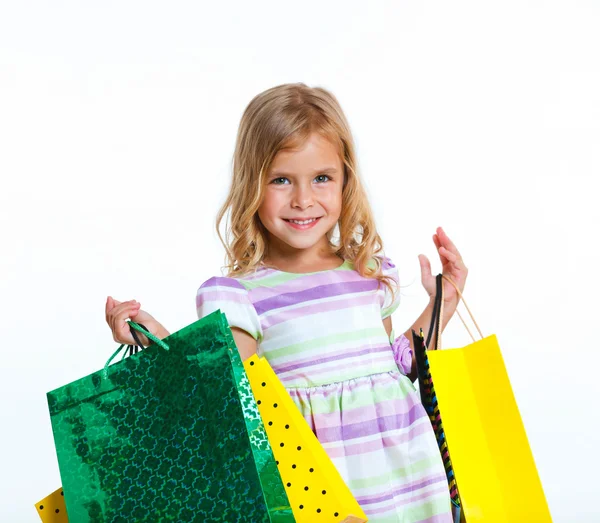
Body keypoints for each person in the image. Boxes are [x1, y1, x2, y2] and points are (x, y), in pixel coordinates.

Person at [105, 83, 468, 522]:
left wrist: (442, 305)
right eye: (280, 180)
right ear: (251, 184)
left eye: (321, 178)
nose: (303, 199)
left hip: (405, 478)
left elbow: (394, 367)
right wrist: (155, 340)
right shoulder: (241, 294)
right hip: (319, 489)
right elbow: (230, 392)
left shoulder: (368, 272)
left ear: (345, 180)